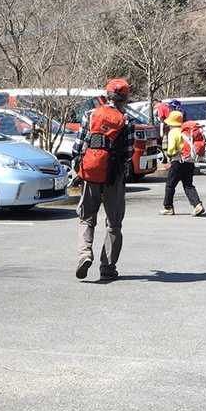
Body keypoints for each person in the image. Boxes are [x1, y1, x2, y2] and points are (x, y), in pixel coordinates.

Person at [72, 77, 132, 282]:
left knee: (86, 218)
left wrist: (79, 170)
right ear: (124, 98)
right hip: (114, 176)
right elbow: (128, 152)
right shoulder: (126, 119)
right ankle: (107, 267)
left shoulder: (90, 115)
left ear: (107, 95)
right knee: (114, 224)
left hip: (91, 173)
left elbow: (78, 147)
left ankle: (84, 255)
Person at [160, 108, 206, 216]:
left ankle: (168, 207)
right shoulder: (185, 130)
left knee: (170, 185)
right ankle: (197, 205)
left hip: (177, 162)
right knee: (188, 185)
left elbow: (171, 149)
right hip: (189, 160)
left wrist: (170, 155)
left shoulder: (173, 132)